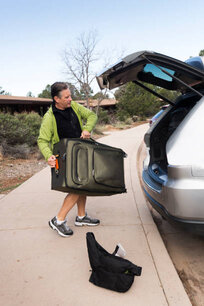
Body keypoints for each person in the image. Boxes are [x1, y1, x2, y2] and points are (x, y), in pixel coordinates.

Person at [38, 82, 99, 237]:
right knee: (77, 187)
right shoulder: (49, 117)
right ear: (56, 99)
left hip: (81, 152)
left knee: (83, 184)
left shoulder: (75, 107)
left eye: (70, 95)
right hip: (64, 158)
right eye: (66, 97)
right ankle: (58, 220)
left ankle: (81, 217)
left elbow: (92, 115)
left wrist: (87, 129)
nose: (70, 99)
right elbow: (42, 140)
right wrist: (48, 155)